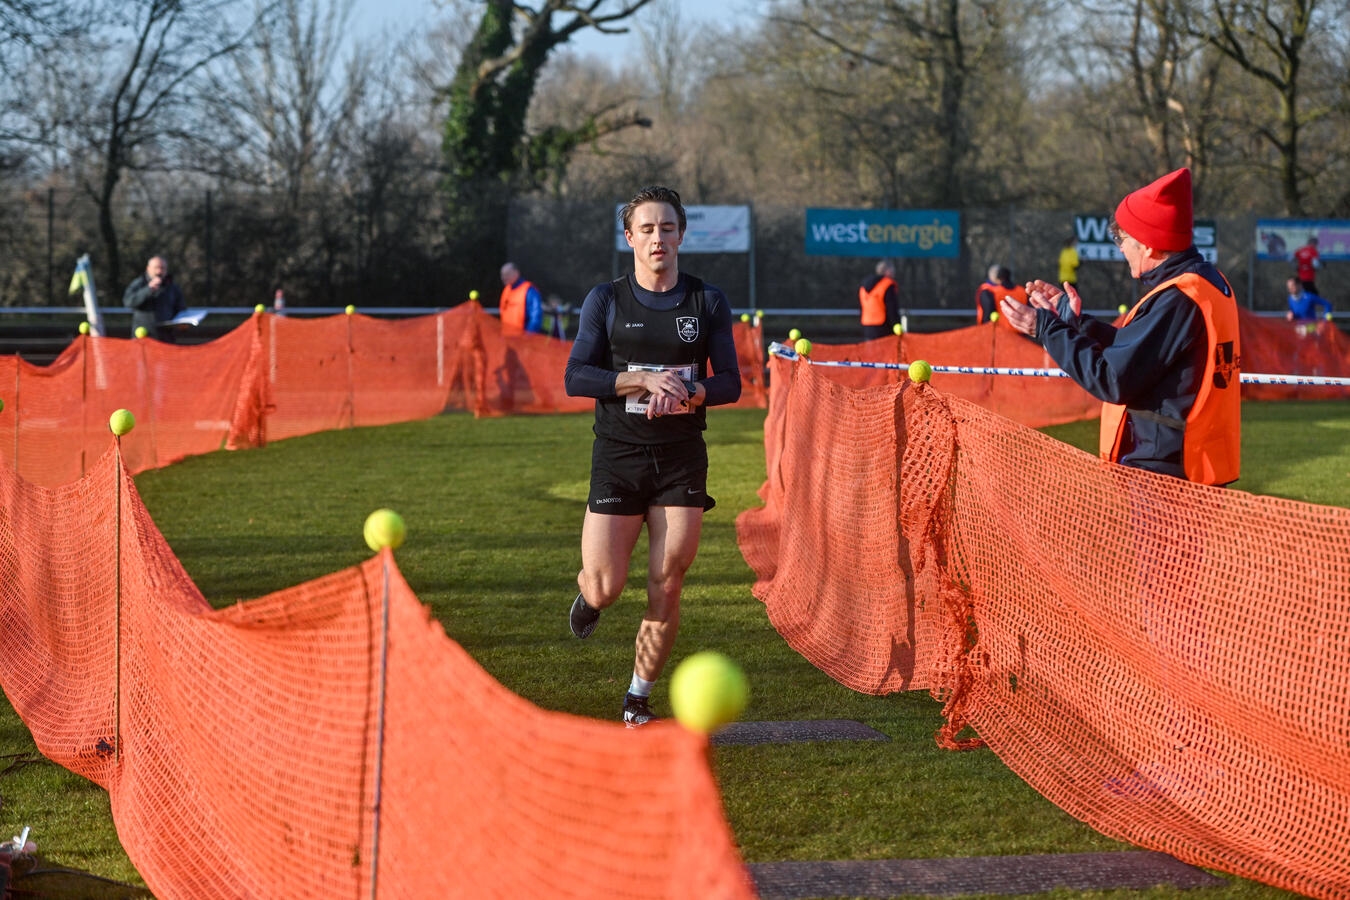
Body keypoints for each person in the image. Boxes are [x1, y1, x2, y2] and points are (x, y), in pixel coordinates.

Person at [563, 185, 742, 727]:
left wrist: (690, 393)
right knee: (607, 585)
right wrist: (639, 378)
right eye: (647, 229)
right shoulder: (606, 299)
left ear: (681, 235)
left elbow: (731, 381)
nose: (658, 237)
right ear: (629, 238)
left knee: (668, 579)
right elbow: (576, 376)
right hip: (618, 455)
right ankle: (589, 597)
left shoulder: (706, 301)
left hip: (681, 458)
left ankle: (637, 698)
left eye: (667, 228)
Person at [999, 167, 1240, 486]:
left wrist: (1046, 329)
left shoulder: (1178, 299)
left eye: (1122, 239)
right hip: (1189, 464)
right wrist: (1076, 324)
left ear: (1151, 246)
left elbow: (1112, 379)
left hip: (1170, 476)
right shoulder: (1206, 283)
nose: (1120, 248)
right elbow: (1142, 354)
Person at [122, 255, 187, 341]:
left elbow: (181, 308)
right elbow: (128, 302)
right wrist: (148, 289)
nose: (159, 271)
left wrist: (183, 322)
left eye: (162, 268)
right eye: (156, 268)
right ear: (148, 268)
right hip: (144, 338)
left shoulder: (172, 287)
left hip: (166, 338)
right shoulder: (139, 283)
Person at [498, 262, 543, 336]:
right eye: (502, 275)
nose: (504, 277)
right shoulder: (506, 291)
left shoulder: (529, 291)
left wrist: (528, 336)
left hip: (523, 339)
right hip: (508, 338)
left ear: (516, 273)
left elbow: (536, 317)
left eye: (507, 274)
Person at [857, 259, 898, 341]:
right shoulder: (887, 284)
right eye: (892, 270)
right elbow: (891, 307)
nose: (894, 273)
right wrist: (896, 324)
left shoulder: (863, 286)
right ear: (887, 271)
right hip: (884, 326)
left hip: (867, 325)